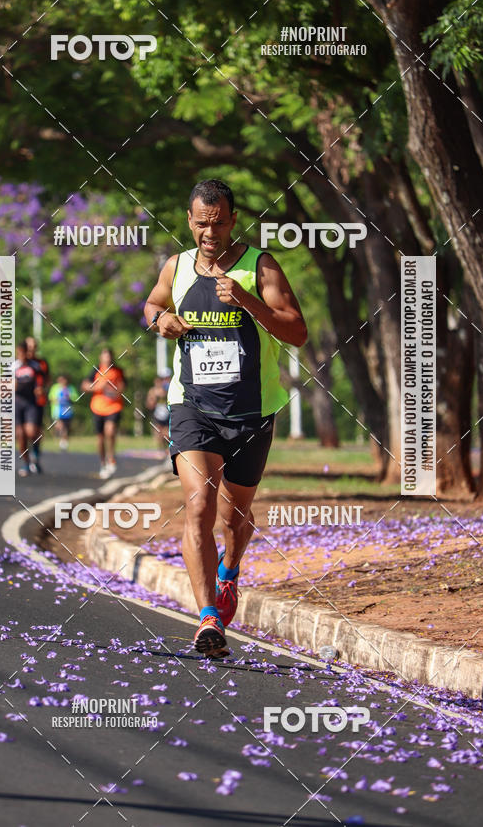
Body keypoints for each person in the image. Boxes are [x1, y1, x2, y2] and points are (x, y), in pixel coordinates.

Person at [144, 178, 307, 658]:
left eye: (218, 224)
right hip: (192, 406)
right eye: (201, 224)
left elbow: (297, 332)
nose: (209, 234)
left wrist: (247, 300)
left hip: (251, 411)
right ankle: (208, 617)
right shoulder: (176, 266)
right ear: (189, 220)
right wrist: (158, 320)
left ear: (233, 220)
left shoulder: (261, 266)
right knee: (199, 506)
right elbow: (152, 303)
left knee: (233, 517)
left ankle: (230, 570)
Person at [81, 348, 125, 479]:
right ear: (101, 358)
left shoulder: (118, 371)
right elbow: (84, 385)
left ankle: (111, 457)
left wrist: (114, 391)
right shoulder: (96, 370)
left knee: (110, 431)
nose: (107, 359)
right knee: (100, 438)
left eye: (109, 356)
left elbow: (122, 387)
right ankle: (103, 462)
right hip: (98, 408)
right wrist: (97, 387)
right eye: (105, 356)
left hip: (114, 407)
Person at [13, 342, 44, 477]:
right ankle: (26, 463)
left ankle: (35, 453)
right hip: (17, 402)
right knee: (20, 434)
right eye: (19, 352)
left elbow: (41, 382)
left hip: (31, 402)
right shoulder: (13, 366)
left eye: (23, 352)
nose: (21, 355)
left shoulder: (35, 366)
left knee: (31, 432)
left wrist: (40, 389)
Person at [25, 336, 49, 473]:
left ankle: (35, 456)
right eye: (29, 347)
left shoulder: (42, 363)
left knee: (35, 431)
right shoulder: (18, 363)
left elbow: (47, 380)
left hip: (37, 401)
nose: (31, 350)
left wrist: (42, 388)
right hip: (21, 402)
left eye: (34, 347)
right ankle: (26, 461)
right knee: (23, 432)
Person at [146, 369, 171, 457]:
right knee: (159, 435)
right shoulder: (153, 391)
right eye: (162, 379)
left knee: (167, 434)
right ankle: (162, 450)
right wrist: (155, 397)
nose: (164, 381)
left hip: (168, 415)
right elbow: (149, 405)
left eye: (166, 378)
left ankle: (169, 449)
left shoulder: (170, 389)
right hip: (157, 416)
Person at [49, 374, 77, 450]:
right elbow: (50, 397)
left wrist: (70, 397)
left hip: (68, 411)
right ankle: (62, 439)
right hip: (57, 411)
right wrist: (56, 400)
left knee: (67, 427)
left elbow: (75, 398)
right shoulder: (55, 387)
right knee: (60, 426)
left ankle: (64, 440)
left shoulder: (70, 388)